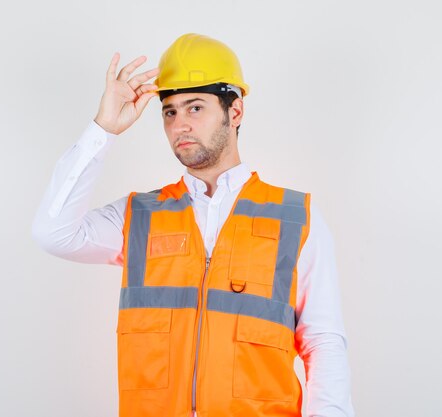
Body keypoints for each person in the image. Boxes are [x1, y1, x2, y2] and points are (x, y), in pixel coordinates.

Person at [32, 33, 354, 417]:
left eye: (195, 108)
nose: (180, 124)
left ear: (235, 112)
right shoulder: (139, 215)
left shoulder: (296, 217)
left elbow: (323, 342)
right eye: (170, 111)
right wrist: (104, 129)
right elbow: (53, 233)